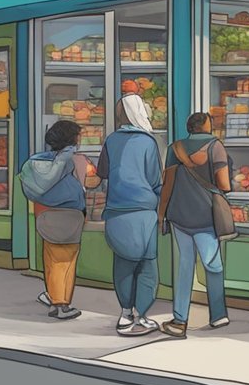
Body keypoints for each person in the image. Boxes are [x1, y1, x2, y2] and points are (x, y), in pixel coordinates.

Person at [158, 112, 232, 338]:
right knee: (213, 265)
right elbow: (224, 184)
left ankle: (180, 320)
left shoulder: (175, 148)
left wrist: (161, 214)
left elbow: (167, 184)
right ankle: (218, 315)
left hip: (180, 215)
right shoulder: (215, 146)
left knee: (185, 266)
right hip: (205, 215)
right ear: (207, 126)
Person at [99, 94, 163, 337]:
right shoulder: (148, 142)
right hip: (144, 212)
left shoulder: (111, 139)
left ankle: (125, 313)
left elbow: (103, 171)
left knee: (123, 264)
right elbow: (155, 179)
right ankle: (143, 314)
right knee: (147, 265)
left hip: (116, 210)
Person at [21, 120, 93, 321]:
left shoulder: (38, 161)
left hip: (44, 215)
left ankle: (52, 297)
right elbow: (92, 181)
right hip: (70, 215)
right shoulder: (76, 160)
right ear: (73, 139)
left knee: (51, 260)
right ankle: (62, 304)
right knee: (66, 262)